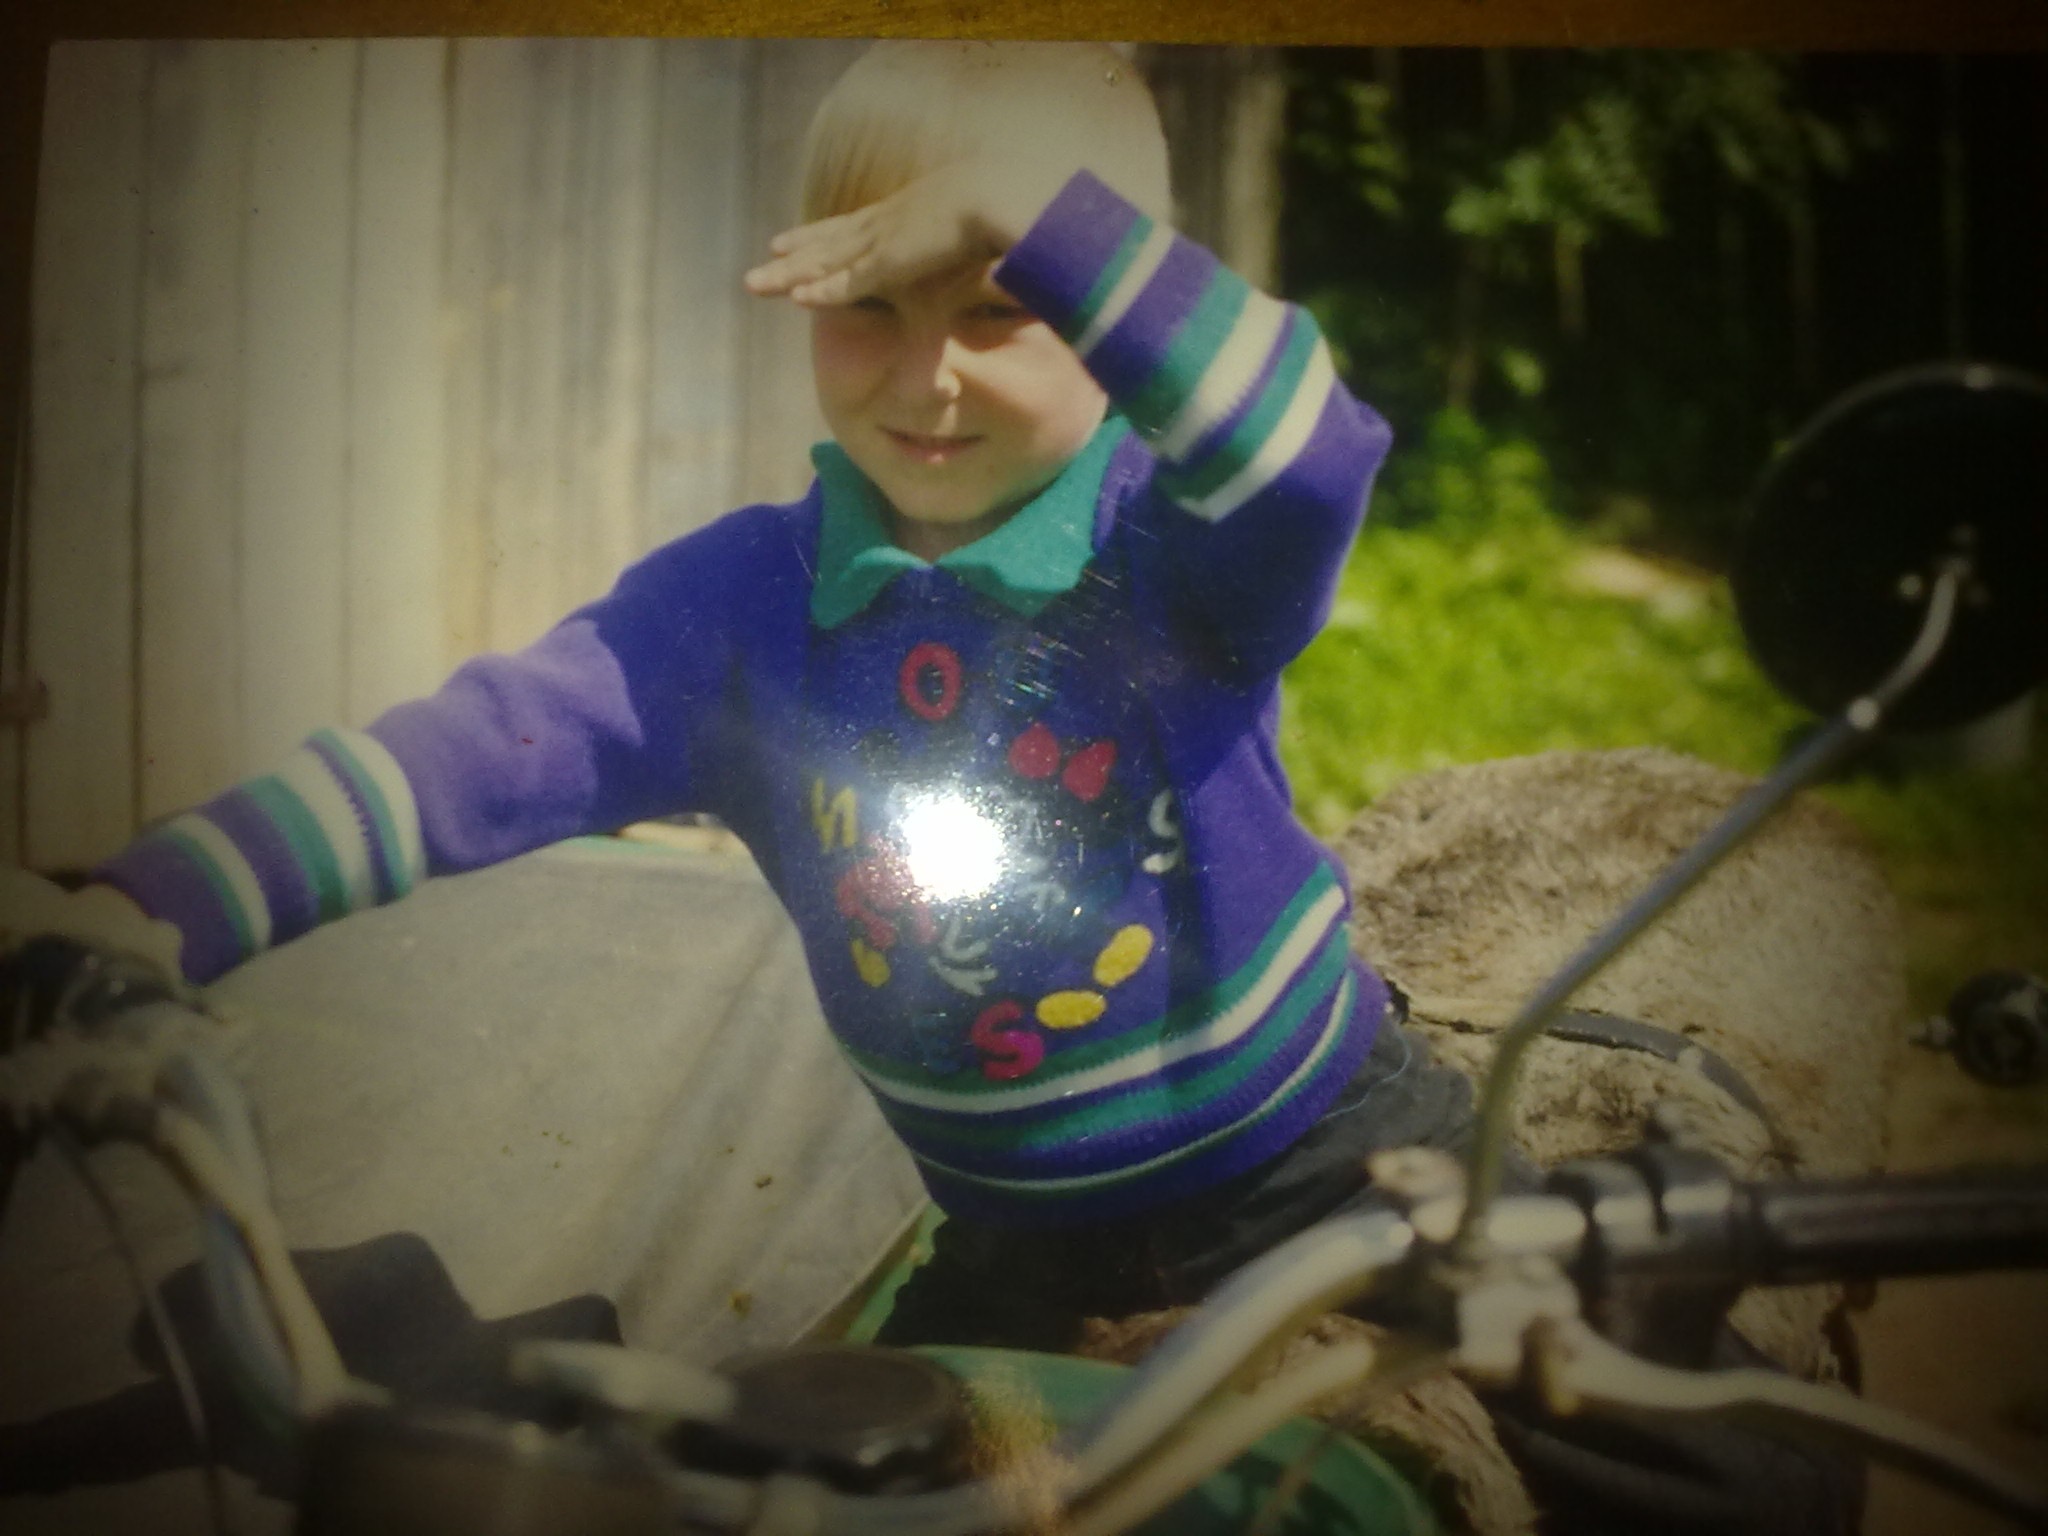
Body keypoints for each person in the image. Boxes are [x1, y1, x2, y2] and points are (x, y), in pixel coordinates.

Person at [5, 41, 1855, 1534]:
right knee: (840, 1476)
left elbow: (1313, 446)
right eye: (874, 307)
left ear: (1111, 322)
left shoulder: (1173, 551)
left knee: (1695, 1452)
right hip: (1016, 1231)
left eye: (1004, 307)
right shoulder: (739, 613)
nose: (931, 378)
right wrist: (145, 909)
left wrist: (1043, 220)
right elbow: (463, 757)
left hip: (1320, 1159)